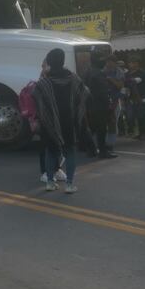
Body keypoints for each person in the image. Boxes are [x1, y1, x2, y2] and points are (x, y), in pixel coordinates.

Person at [34, 48, 89, 193]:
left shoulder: (44, 82)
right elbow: (85, 93)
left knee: (50, 151)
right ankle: (69, 185)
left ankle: (50, 182)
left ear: (49, 62)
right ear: (63, 61)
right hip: (69, 122)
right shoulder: (74, 79)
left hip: (50, 123)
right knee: (70, 152)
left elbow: (36, 97)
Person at [84, 53, 117, 158]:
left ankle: (90, 150)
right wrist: (109, 105)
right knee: (101, 129)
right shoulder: (99, 74)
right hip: (99, 106)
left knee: (92, 127)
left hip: (89, 105)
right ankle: (102, 151)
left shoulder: (87, 72)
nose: (105, 63)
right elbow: (103, 92)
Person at [126, 56, 145, 140]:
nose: (132, 64)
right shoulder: (127, 74)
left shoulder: (144, 74)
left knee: (142, 116)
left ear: (138, 63)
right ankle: (140, 133)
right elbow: (125, 85)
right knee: (133, 117)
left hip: (142, 98)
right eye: (131, 62)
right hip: (131, 99)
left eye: (134, 62)